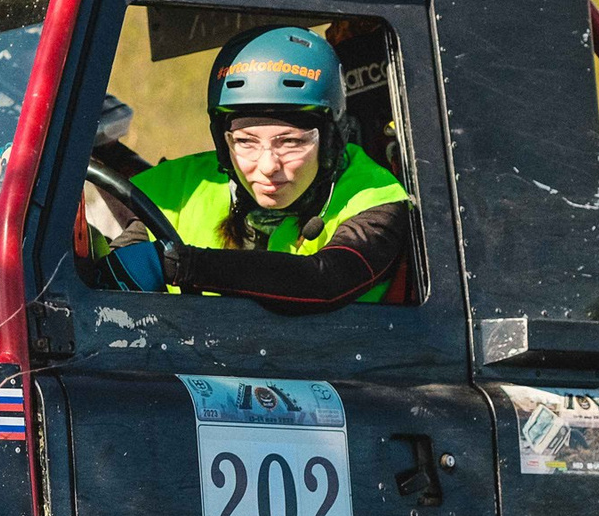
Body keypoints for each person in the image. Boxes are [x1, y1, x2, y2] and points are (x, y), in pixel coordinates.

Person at [96, 26, 415, 309]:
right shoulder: (182, 186)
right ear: (223, 142)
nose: (266, 166)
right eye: (246, 142)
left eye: (290, 142)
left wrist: (183, 265)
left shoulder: (375, 199)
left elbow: (327, 279)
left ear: (331, 139)